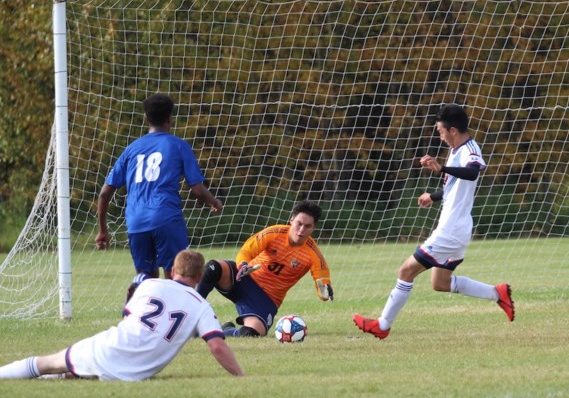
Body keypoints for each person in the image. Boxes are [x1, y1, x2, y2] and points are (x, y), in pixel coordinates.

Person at [353, 103, 514, 340]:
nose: (440, 137)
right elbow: (456, 186)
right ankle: (496, 293)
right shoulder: (456, 148)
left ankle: (383, 325)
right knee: (440, 283)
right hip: (455, 227)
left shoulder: (470, 150)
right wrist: (434, 196)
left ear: (453, 130)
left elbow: (472, 172)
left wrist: (440, 169)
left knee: (406, 270)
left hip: (451, 230)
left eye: (440, 131)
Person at [0, 250, 244, 381]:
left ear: (172, 272)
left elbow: (127, 316)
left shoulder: (149, 285)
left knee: (46, 364)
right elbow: (217, 346)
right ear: (200, 277)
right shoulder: (201, 305)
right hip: (134, 374)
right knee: (71, 373)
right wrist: (240, 376)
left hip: (107, 348)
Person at [96, 94, 223, 302]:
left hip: (136, 222)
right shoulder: (179, 145)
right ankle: (172, 319)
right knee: (176, 275)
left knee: (147, 278)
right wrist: (214, 202)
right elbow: (198, 189)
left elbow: (104, 194)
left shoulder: (131, 150)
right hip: (166, 217)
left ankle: (142, 301)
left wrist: (103, 229)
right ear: (169, 119)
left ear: (147, 119)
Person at [196, 200, 333, 337]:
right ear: (292, 219)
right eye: (299, 224)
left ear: (314, 227)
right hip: (244, 278)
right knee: (213, 268)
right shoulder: (274, 232)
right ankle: (192, 314)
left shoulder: (314, 255)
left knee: (250, 334)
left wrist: (325, 292)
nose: (302, 230)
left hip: (266, 299)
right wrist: (243, 264)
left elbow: (322, 283)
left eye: (308, 226)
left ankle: (220, 330)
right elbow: (246, 251)